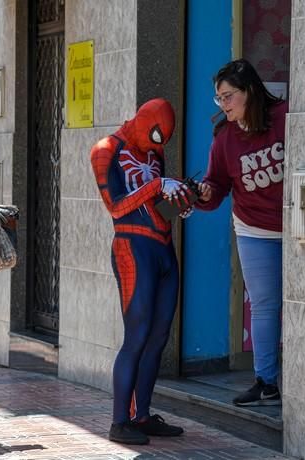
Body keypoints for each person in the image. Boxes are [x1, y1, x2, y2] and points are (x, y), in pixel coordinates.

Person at [90, 98, 192, 445]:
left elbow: (153, 201)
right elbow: (116, 207)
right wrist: (156, 186)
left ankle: (143, 415)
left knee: (160, 335)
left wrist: (180, 201)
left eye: (160, 143)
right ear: (140, 122)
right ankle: (119, 422)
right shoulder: (105, 150)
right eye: (152, 140)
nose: (155, 150)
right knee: (137, 336)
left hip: (163, 247)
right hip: (132, 248)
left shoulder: (154, 151)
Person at [196, 59, 287, 406]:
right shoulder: (224, 138)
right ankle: (266, 382)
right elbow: (216, 184)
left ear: (249, 91)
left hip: (298, 228)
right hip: (254, 229)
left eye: (228, 96)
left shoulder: (284, 117)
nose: (223, 105)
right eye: (218, 99)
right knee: (264, 306)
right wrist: (204, 194)